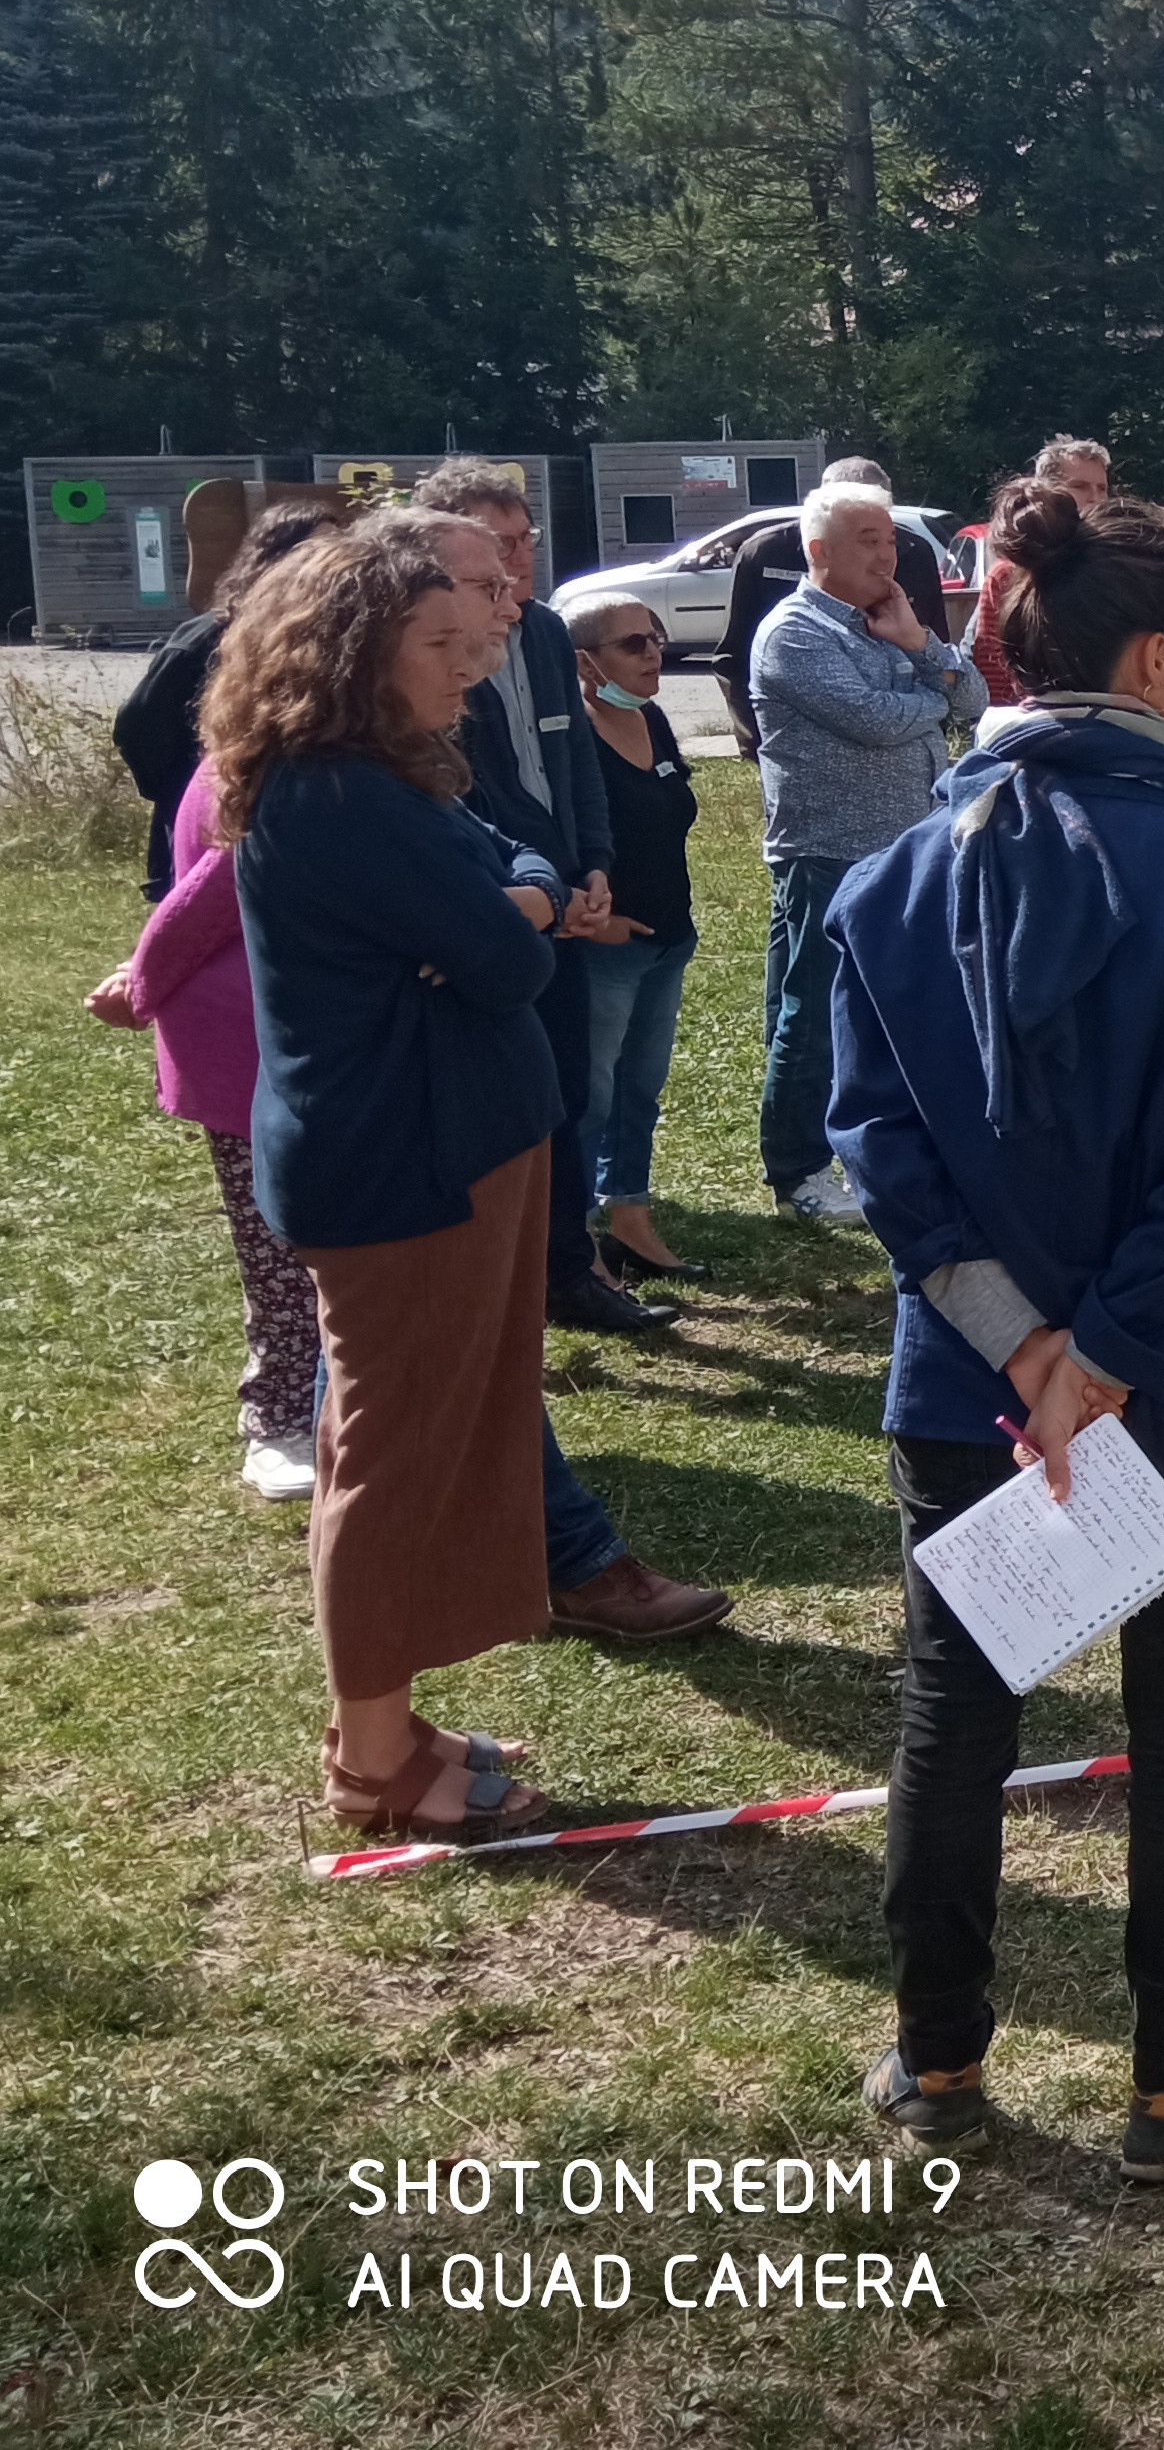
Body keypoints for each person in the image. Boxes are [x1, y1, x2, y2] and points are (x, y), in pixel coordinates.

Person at [826, 485, 1164, 2181]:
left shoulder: (887, 884)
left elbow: (877, 1145)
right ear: (1161, 659)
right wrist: (1096, 1361)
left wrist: (1033, 1354)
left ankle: (939, 2060)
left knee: (954, 1721)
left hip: (982, 1385)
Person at [208, 517, 561, 1838]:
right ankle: (370, 1758)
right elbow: (519, 955)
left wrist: (503, 910)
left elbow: (517, 874)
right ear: (356, 649)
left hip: (448, 1148)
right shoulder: (337, 794)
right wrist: (507, 921)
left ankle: (390, 1718)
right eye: (437, 641)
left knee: (392, 1441)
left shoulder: (388, 773)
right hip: (405, 1170)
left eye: (469, 639)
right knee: (392, 1460)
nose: (465, 660)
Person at [411, 462, 663, 1341]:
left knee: (562, 1092)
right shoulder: (428, 656)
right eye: (498, 552)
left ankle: (567, 1268)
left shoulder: (549, 635)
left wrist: (591, 865)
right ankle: (513, 1282)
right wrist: (543, 886)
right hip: (495, 905)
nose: (520, 565)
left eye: (525, 545)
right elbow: (469, 792)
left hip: (558, 896)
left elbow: (573, 767)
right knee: (512, 1099)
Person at [91, 708, 323, 1502]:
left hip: (294, 1045)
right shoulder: (275, 757)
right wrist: (142, 987)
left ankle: (326, 1410)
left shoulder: (317, 746)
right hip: (247, 1046)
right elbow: (203, 897)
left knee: (321, 1248)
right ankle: (278, 1422)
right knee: (279, 1251)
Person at [751, 479, 989, 1222]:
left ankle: (875, 1147)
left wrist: (919, 643)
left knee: (889, 1009)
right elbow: (875, 721)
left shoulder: (883, 622)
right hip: (830, 851)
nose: (888, 556)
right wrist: (932, 700)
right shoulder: (795, 632)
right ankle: (796, 1173)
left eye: (890, 540)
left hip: (901, 850)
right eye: (869, 542)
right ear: (819, 552)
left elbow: (974, 699)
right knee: (815, 1012)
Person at [114, 491, 351, 898]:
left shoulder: (329, 641)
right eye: (313, 552)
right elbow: (139, 725)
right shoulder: (208, 637)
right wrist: (183, 787)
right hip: (205, 825)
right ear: (273, 559)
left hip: (279, 837)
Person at [569, 593, 707, 1285]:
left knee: (640, 1090)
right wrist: (606, 917)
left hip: (668, 939)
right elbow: (572, 840)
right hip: (609, 947)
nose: (652, 652)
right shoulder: (571, 737)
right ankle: (577, 1243)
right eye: (631, 644)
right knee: (592, 1095)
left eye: (654, 637)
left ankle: (631, 1218)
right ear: (585, 663)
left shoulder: (651, 716)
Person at [722, 456, 954, 754]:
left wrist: (934, 723)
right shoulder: (765, 553)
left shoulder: (913, 553)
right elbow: (734, 656)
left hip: (913, 750)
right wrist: (756, 741)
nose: (884, 554)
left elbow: (946, 654)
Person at [968, 436, 1111, 707]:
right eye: (1080, 486)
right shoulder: (1010, 572)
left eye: (1102, 488)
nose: (1095, 498)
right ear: (1047, 491)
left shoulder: (1117, 564)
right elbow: (994, 666)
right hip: (1028, 722)